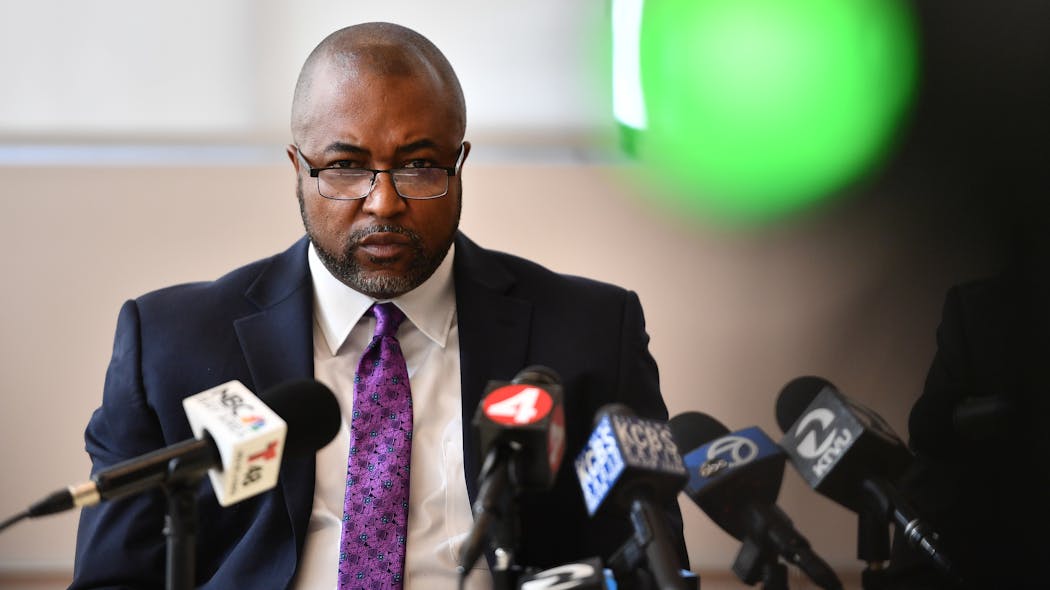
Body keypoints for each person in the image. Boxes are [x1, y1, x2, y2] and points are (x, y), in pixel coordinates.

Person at [70, 22, 686, 589]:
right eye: (345, 166)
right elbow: (112, 581)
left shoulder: (588, 334)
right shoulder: (172, 343)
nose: (384, 202)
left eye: (419, 166)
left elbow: (650, 570)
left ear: (460, 163)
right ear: (297, 168)